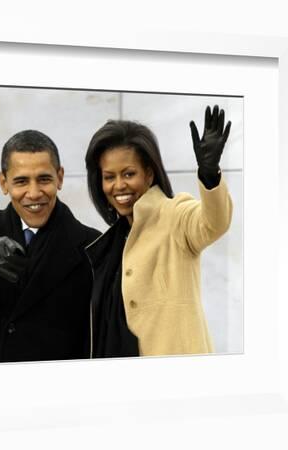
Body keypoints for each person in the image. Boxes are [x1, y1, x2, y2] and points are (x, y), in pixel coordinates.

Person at [0, 130, 101, 364]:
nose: (33, 193)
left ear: (60, 178)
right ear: (3, 182)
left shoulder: (94, 245)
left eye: (44, 179)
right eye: (21, 181)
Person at [84, 105, 233, 357]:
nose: (119, 185)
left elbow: (212, 223)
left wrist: (209, 174)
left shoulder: (174, 215)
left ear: (149, 174)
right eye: (109, 176)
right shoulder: (111, 242)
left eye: (129, 173)